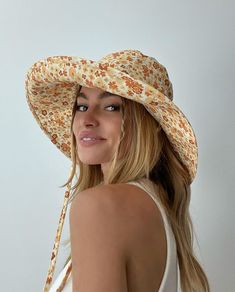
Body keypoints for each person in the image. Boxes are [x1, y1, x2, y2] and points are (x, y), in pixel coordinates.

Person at [25, 49, 210, 292]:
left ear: (150, 124)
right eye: (81, 106)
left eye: (111, 107)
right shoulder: (154, 204)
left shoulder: (100, 207)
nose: (87, 119)